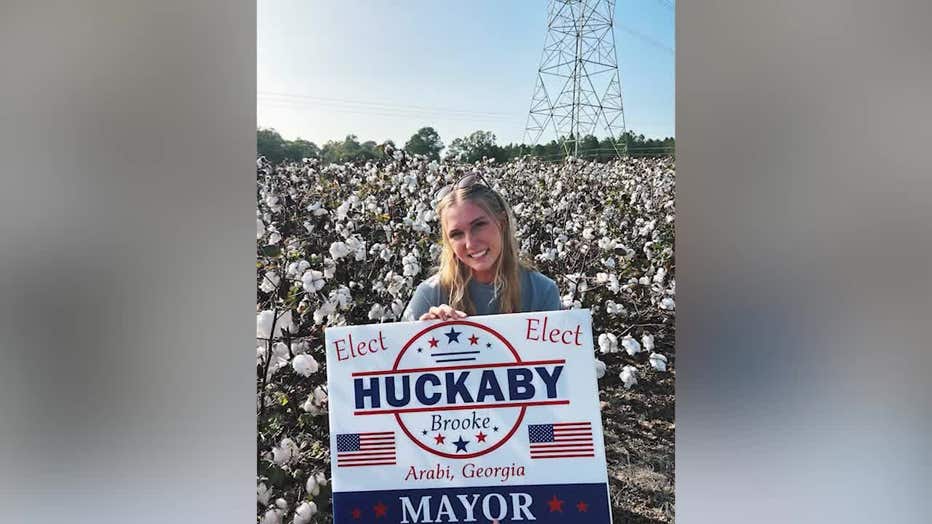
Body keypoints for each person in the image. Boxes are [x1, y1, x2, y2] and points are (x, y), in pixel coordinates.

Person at [402, 171, 561, 321]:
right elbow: (400, 349)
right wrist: (424, 336)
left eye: (479, 225)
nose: (470, 243)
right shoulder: (429, 295)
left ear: (502, 223)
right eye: (456, 234)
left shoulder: (542, 291)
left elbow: (554, 350)